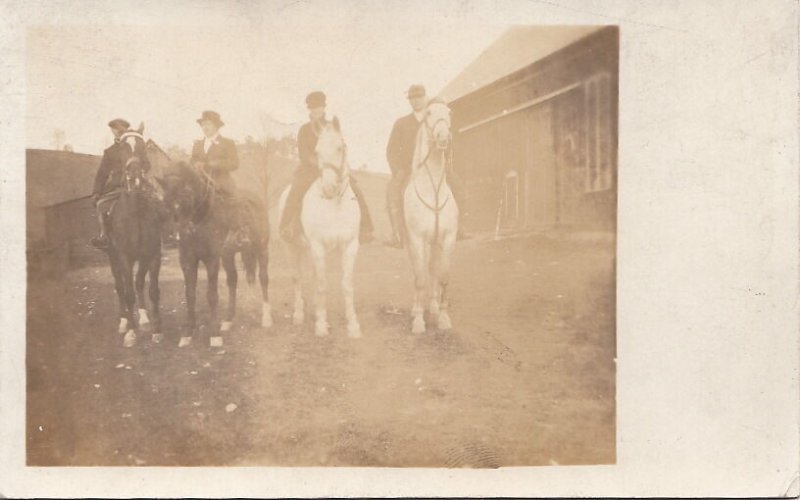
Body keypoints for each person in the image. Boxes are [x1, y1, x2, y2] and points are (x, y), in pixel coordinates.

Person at [279, 91, 374, 243]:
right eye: (312, 108)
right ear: (309, 110)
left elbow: (341, 147)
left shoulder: (332, 127)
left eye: (319, 107)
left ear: (324, 108)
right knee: (296, 189)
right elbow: (304, 154)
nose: (316, 110)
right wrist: (320, 165)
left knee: (355, 189)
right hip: (310, 170)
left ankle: (366, 228)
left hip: (334, 169)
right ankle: (287, 226)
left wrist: (337, 165)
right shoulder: (304, 130)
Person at [385, 84, 467, 248]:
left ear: (425, 98)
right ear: (409, 101)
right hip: (408, 167)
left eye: (419, 97)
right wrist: (397, 170)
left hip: (434, 165)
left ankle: (459, 227)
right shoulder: (402, 123)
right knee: (393, 190)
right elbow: (391, 150)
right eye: (412, 98)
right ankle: (397, 233)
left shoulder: (437, 118)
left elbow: (447, 140)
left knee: (457, 185)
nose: (416, 101)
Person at [90, 118, 152, 249]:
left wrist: (139, 170)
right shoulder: (110, 151)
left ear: (125, 129)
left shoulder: (136, 145)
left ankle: (162, 235)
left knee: (158, 201)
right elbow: (102, 174)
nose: (117, 131)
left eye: (120, 128)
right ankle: (104, 235)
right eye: (114, 129)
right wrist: (96, 191)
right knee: (101, 205)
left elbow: (147, 164)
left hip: (138, 182)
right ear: (112, 131)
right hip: (117, 185)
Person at [190, 110, 248, 243]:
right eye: (203, 124)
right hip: (201, 181)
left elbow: (234, 163)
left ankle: (241, 232)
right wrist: (196, 164)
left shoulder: (227, 143)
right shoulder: (197, 144)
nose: (205, 127)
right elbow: (192, 160)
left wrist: (213, 164)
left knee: (235, 199)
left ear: (216, 126)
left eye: (208, 124)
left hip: (221, 180)